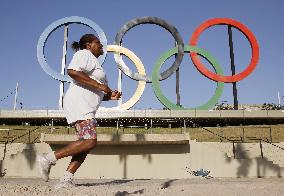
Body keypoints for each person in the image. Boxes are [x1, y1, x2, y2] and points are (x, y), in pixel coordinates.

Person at [36, 34, 121, 189]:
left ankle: (66, 179)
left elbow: (97, 92)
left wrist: (110, 96)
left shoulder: (95, 63)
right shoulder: (84, 54)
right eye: (98, 43)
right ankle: (48, 159)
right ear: (88, 45)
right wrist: (99, 85)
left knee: (85, 144)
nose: (101, 45)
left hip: (86, 106)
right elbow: (73, 71)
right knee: (90, 141)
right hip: (79, 104)